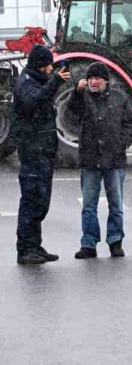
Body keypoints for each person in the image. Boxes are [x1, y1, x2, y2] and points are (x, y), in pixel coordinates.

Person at [67, 62, 132, 259]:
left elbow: (131, 123)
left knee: (116, 204)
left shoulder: (119, 98)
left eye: (97, 78)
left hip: (114, 160)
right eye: (90, 78)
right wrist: (77, 92)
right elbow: (73, 112)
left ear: (106, 81)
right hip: (90, 159)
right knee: (89, 204)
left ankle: (115, 241)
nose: (93, 82)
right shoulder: (83, 98)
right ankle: (88, 243)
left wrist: (121, 143)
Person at [12, 45, 69, 265]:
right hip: (32, 151)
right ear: (41, 65)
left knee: (41, 201)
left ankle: (35, 245)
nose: (51, 68)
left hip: (42, 151)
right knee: (32, 200)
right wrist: (55, 82)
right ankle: (25, 250)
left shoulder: (37, 80)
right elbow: (32, 102)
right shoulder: (26, 82)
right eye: (49, 65)